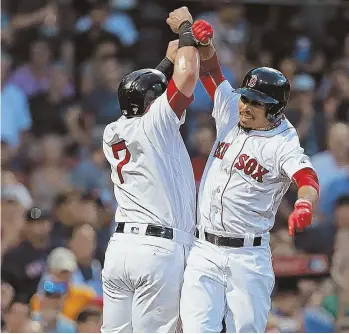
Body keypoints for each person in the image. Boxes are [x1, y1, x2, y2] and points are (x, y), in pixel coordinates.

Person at [179, 20, 319, 333]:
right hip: (204, 249)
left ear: (276, 110)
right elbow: (212, 73)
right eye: (246, 97)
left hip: (247, 257)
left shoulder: (283, 141)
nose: (247, 106)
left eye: (258, 103)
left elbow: (307, 177)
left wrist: (304, 205)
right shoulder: (232, 109)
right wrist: (206, 44)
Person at [101, 7, 200, 333]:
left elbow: (142, 90)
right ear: (153, 103)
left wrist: (166, 62)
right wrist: (186, 28)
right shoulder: (156, 123)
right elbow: (187, 77)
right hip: (158, 250)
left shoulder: (113, 130)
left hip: (120, 250)